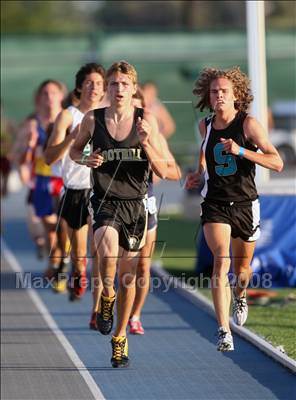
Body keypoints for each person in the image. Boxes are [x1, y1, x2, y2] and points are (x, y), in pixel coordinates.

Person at [70, 60, 168, 368]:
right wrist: (87, 159)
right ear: (107, 89)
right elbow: (74, 151)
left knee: (128, 277)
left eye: (125, 84)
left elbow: (164, 167)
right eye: (113, 84)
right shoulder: (92, 119)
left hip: (136, 204)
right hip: (104, 200)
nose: (119, 89)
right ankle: (106, 297)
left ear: (134, 88)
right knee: (105, 243)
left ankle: (120, 337)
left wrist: (147, 141)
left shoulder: (146, 120)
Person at [186, 67, 283, 351]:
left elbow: (276, 162)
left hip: (245, 203)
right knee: (221, 260)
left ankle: (240, 294)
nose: (218, 96)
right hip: (215, 202)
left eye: (224, 92)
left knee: (242, 270)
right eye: (214, 92)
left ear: (236, 95)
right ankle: (223, 329)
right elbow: (205, 152)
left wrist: (241, 151)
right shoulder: (205, 125)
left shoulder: (248, 125)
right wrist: (198, 173)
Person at [45, 63, 106, 302]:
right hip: (75, 190)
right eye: (90, 83)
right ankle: (78, 271)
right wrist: (72, 136)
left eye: (99, 84)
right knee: (81, 255)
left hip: (101, 190)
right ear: (80, 87)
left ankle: (101, 302)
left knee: (101, 249)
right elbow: (49, 157)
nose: (94, 87)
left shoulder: (108, 114)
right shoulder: (67, 116)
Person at [128, 88, 181, 335]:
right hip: (115, 204)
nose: (138, 116)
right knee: (119, 266)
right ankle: (111, 303)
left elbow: (174, 172)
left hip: (144, 202)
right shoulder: (108, 130)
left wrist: (150, 150)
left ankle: (135, 315)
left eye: (141, 111)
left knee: (142, 266)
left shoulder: (153, 135)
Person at [22, 80, 68, 278]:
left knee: (65, 225)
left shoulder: (68, 118)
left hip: (64, 178)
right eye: (45, 94)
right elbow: (22, 158)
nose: (49, 97)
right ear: (39, 98)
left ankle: (60, 263)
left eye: (53, 93)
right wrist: (30, 146)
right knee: (50, 229)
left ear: (61, 96)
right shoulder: (32, 123)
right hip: (42, 181)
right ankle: (56, 262)